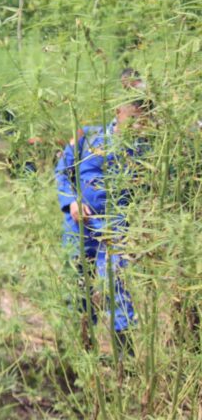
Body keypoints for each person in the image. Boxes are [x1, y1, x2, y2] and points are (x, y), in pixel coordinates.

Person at [55, 98, 150, 356]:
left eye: (143, 122)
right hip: (80, 225)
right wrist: (71, 201)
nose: (138, 127)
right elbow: (63, 172)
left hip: (115, 227)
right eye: (134, 119)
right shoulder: (88, 135)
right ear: (118, 112)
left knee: (115, 285)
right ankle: (82, 353)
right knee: (79, 287)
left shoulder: (144, 150)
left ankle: (124, 361)